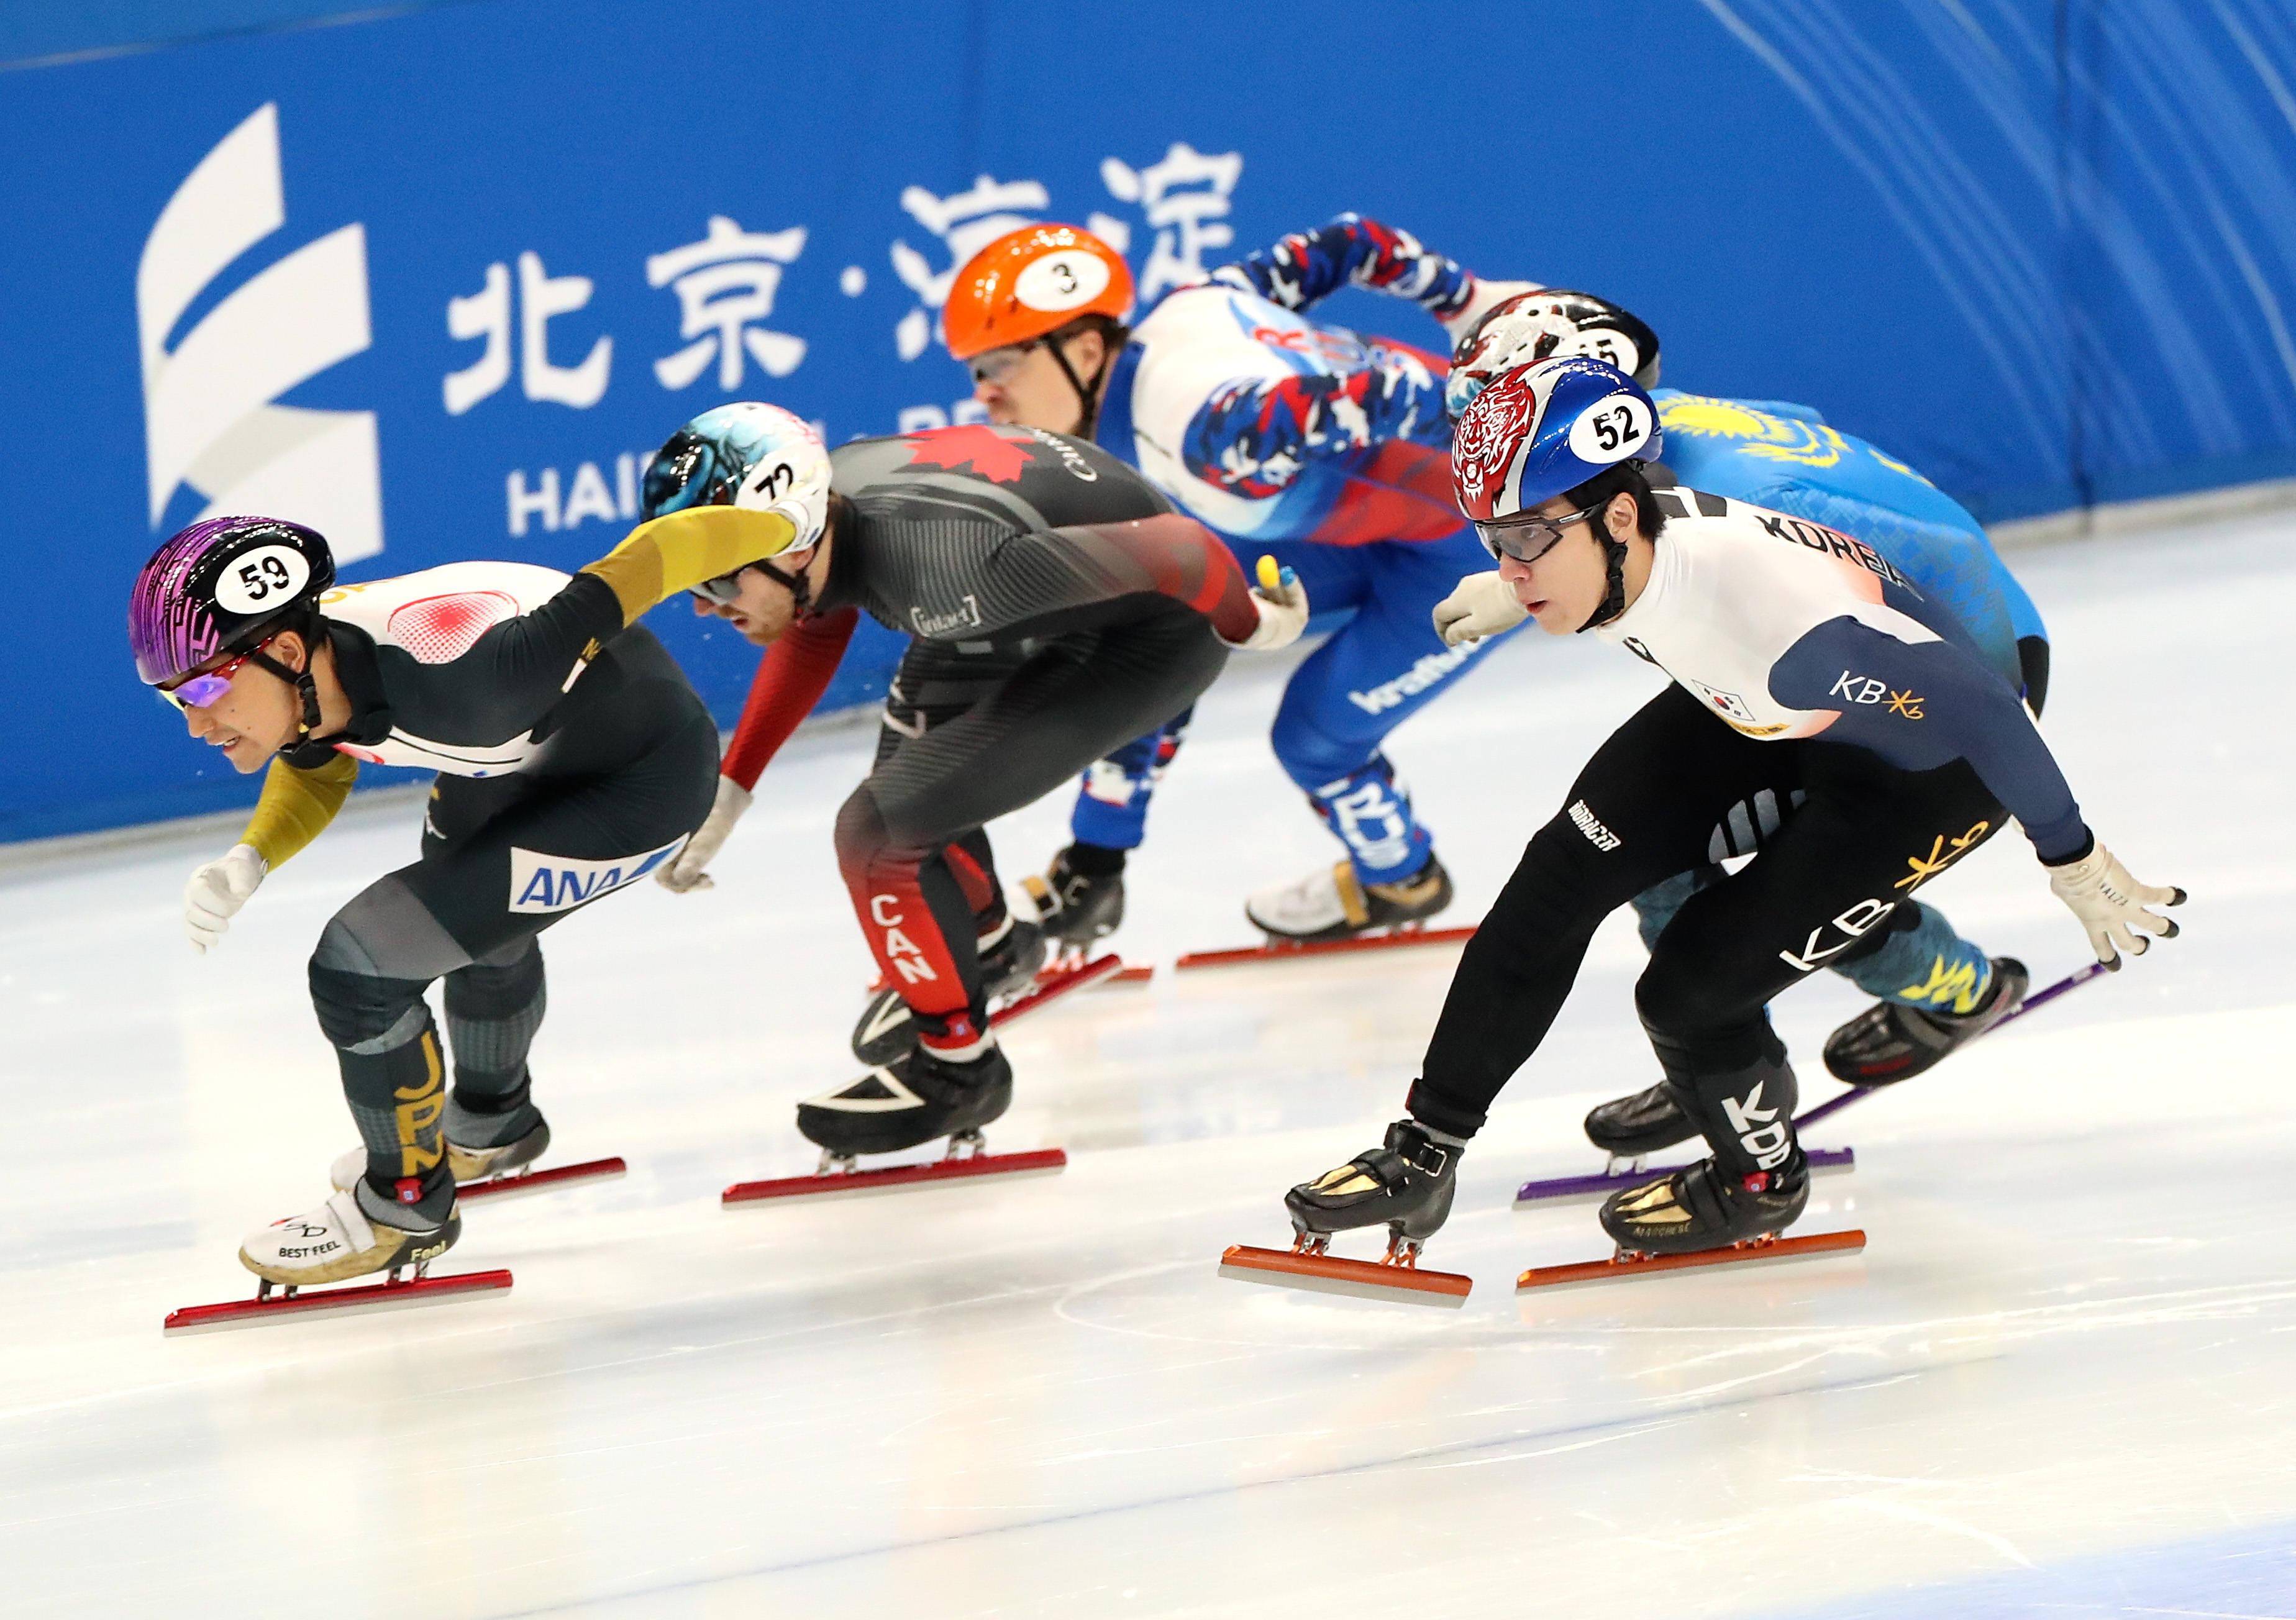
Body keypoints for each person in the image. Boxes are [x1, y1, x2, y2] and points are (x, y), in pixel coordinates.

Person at [1284, 358, 2180, 1262]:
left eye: (1522, 542)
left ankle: (1760, 1178)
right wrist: (1519, 579)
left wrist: (2074, 857)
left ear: (1619, 518)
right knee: (1559, 878)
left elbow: (1989, 709)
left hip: (1928, 767)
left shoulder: (1782, 621)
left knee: (1687, 993)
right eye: (1491, 543)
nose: (1511, 570)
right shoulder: (1624, 512)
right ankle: (1424, 1155)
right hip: (1779, 710)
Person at [131, 464, 816, 1288]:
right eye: (174, 699)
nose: (197, 720)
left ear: (280, 650)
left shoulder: (481, 671)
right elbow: (318, 755)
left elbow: (660, 551)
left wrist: (794, 532)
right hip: (526, 760)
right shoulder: (305, 669)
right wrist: (255, 854)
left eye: (205, 687)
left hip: (640, 782)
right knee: (465, 915)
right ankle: (494, 1122)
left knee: (362, 965)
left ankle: (405, 1206)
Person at [1439, 289, 2058, 1152]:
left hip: (1947, 670)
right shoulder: (1650, 440)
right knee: (1652, 858)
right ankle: (1720, 1054)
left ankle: (1953, 988)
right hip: (1824, 647)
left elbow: (1933, 588)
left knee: (1794, 891)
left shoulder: (1733, 493)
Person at [647, 406, 1306, 1160]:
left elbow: (1185, 551)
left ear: (792, 549)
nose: (703, 606)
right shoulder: (832, 522)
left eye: (717, 580)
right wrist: (734, 786)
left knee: (878, 834)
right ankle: (991, 950)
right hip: (1036, 575)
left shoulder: (947, 571)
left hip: (1147, 634)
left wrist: (1253, 625)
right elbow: (813, 619)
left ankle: (959, 1070)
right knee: (915, 786)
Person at [939, 217, 1535, 947]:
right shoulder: (1197, 303)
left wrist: (1548, 464)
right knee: (1154, 616)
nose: (985, 395)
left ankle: (1402, 876)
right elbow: (1350, 242)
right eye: (974, 371)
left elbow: (1394, 387)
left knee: (1313, 740)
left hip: (1478, 551)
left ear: (1086, 350)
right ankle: (1096, 865)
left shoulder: (1208, 435)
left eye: (999, 364)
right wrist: (1465, 300)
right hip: (1382, 526)